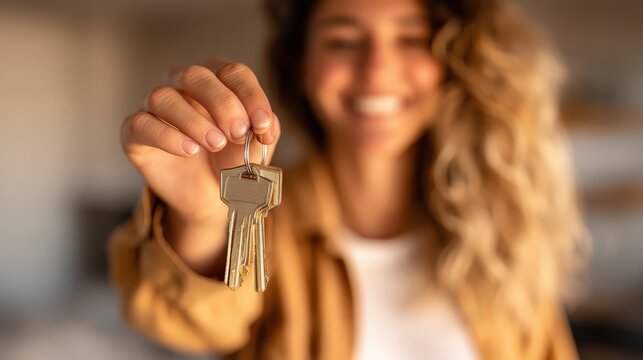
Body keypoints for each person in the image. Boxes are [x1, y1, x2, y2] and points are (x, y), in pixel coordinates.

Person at [109, 0, 587, 358]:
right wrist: (204, 220)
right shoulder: (260, 222)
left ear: (450, 64)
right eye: (343, 40)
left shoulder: (502, 228)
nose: (377, 68)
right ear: (301, 67)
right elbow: (189, 326)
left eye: (411, 38)